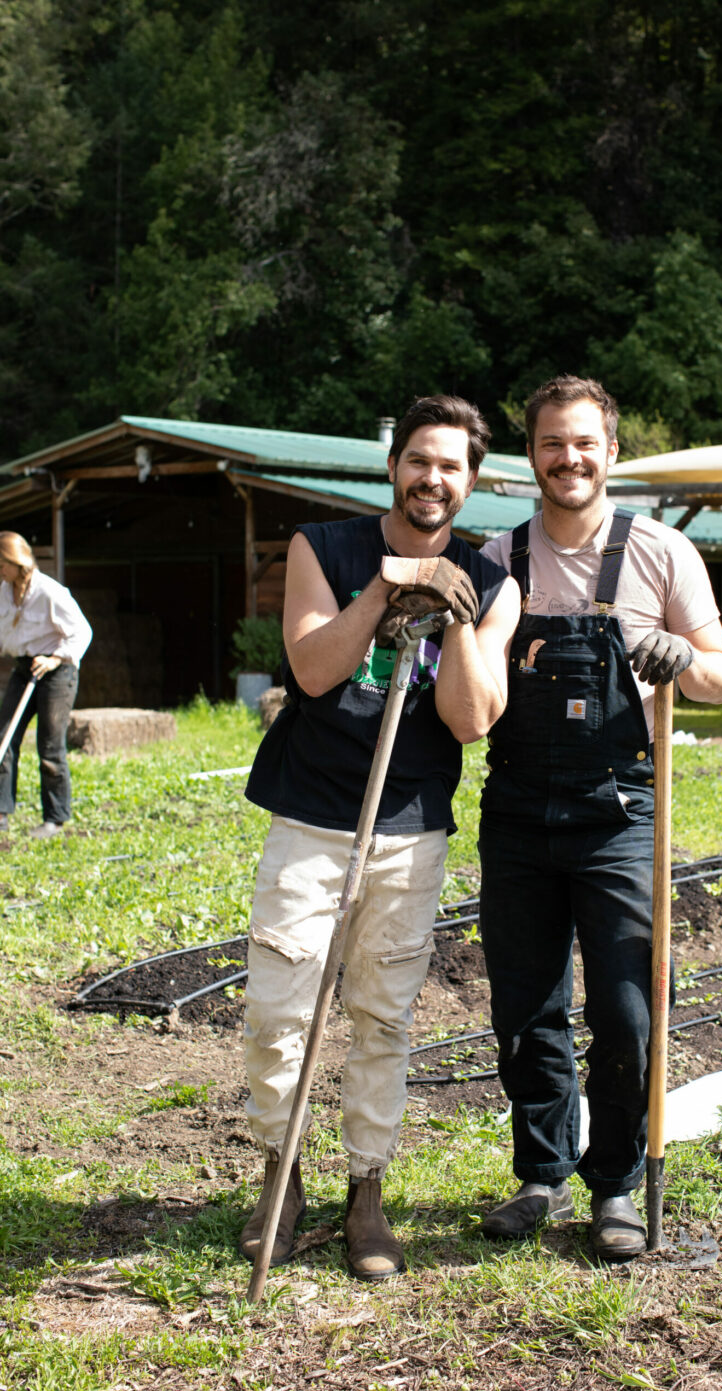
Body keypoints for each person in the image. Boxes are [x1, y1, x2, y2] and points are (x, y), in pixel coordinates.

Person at [240, 394, 521, 1280]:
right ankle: (280, 1178)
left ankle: (367, 1188)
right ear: (393, 465)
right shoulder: (322, 547)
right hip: (311, 816)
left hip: (409, 827)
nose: (432, 478)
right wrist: (386, 590)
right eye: (419, 460)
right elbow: (313, 670)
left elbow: (471, 720)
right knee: (279, 1011)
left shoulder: (494, 580)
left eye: (451, 466)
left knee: (382, 1016)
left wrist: (456, 616)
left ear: (471, 481)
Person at [477, 375, 722, 1260]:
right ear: (531, 455)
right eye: (552, 443)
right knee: (526, 1007)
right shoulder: (497, 557)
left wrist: (682, 656)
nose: (569, 458)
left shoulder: (662, 552)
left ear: (611, 451)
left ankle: (615, 1184)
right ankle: (541, 1174)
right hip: (517, 808)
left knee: (627, 1010)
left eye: (585, 442)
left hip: (621, 812)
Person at [0, 533, 92, 838]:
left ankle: (54, 819)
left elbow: (82, 632)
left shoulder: (50, 592)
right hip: (25, 667)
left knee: (49, 746)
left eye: (2, 563)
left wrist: (54, 659)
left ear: (17, 561)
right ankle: (1, 814)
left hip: (57, 670)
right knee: (4, 737)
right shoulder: (4, 592)